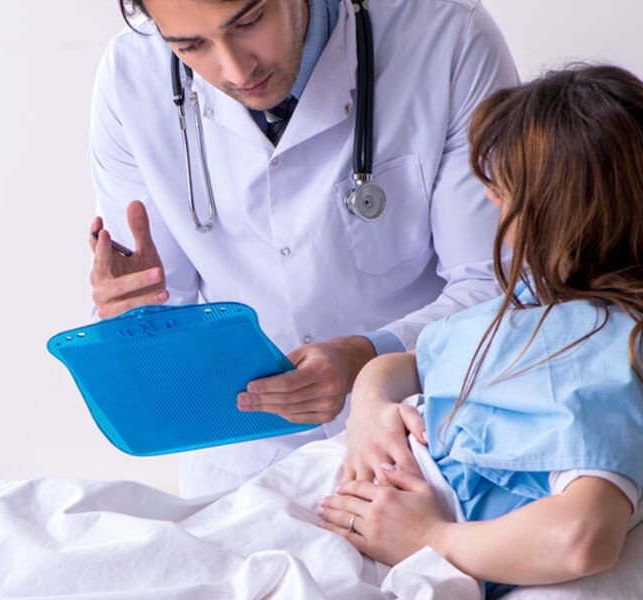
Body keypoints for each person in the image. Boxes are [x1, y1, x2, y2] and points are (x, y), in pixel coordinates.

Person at [318, 64, 643, 594]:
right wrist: (369, 409)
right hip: (350, 482)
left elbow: (583, 535)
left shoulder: (596, 341)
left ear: (566, 213)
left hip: (373, 534)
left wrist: (429, 537)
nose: (494, 208)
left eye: (505, 193)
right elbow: (410, 365)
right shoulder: (546, 299)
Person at [88, 0, 520, 496]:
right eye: (189, 46)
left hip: (425, 441)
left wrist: (369, 359)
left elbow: (500, 287)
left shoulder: (448, 37)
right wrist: (133, 318)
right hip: (242, 472)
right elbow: (163, 322)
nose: (235, 69)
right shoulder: (130, 80)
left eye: (249, 22)